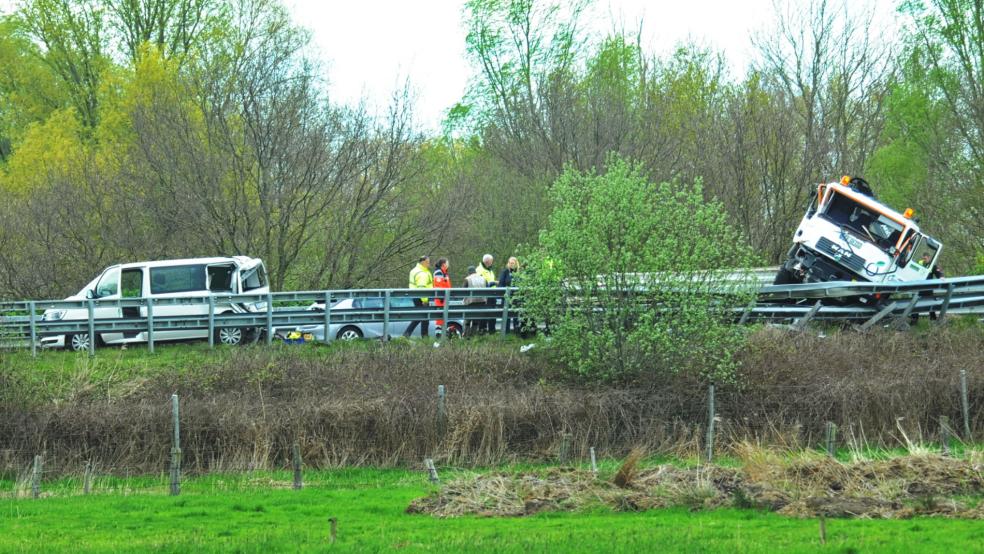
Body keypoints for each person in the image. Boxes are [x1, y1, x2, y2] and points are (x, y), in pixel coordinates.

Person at [403, 255, 433, 338]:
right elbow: (422, 288)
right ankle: (409, 335)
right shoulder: (422, 273)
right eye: (427, 262)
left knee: (422, 317)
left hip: (416, 296)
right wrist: (425, 300)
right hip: (422, 297)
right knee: (423, 317)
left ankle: (408, 335)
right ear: (423, 262)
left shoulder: (415, 270)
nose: (429, 264)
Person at [498, 257, 520, 333]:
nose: (511, 264)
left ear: (516, 264)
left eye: (512, 263)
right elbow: (500, 284)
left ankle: (516, 331)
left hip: (516, 297)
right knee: (506, 315)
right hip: (506, 297)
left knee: (516, 315)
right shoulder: (505, 272)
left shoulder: (519, 273)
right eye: (510, 263)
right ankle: (506, 331)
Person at [477, 254, 497, 333]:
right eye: (491, 261)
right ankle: (482, 330)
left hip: (492, 294)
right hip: (485, 295)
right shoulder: (479, 270)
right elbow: (480, 283)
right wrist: (493, 283)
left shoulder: (489, 270)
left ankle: (492, 330)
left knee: (493, 313)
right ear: (488, 261)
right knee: (484, 313)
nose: (492, 263)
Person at [463, 265, 486, 335]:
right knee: (476, 319)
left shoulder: (467, 279)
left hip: (470, 302)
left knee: (467, 320)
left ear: (469, 272)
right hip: (482, 302)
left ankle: (466, 335)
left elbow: (463, 291)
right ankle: (474, 335)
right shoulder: (483, 278)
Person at [432, 258, 451, 336]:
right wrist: (441, 297)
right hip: (441, 299)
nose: (448, 265)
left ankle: (443, 336)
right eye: (447, 263)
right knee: (440, 318)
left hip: (444, 298)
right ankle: (439, 336)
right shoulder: (439, 273)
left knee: (443, 318)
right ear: (443, 264)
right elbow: (438, 286)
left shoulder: (444, 273)